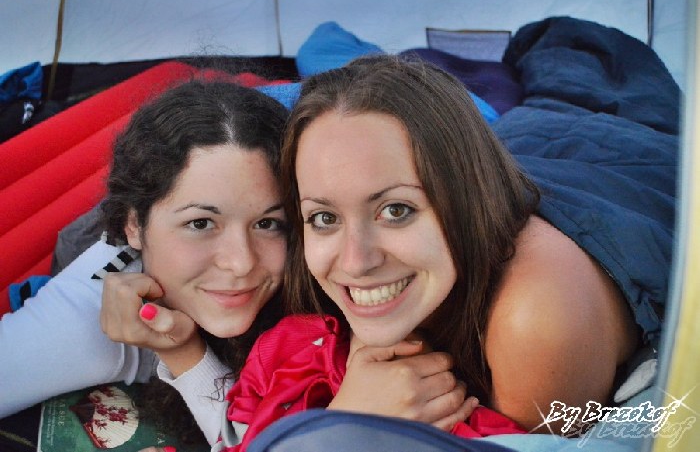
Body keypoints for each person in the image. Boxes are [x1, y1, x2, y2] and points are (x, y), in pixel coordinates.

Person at [274, 55, 641, 436]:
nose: (355, 262)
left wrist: (345, 430)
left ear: (468, 199)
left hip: (612, 159)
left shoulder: (537, 321)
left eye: (396, 211)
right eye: (325, 218)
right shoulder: (291, 265)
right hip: (532, 142)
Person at [0, 79, 290, 445]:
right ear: (134, 226)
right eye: (201, 224)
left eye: (267, 223)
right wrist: (184, 353)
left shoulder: (317, 256)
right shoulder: (85, 322)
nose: (241, 262)